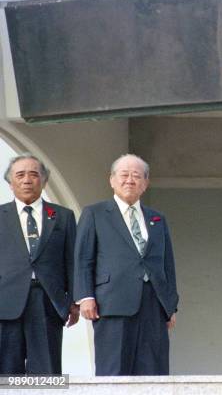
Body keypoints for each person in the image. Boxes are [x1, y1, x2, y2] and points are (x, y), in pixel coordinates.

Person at [74, 154, 179, 376]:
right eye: (124, 175)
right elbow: (83, 258)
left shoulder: (157, 218)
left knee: (154, 372)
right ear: (111, 180)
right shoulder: (95, 213)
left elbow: (167, 264)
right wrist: (86, 296)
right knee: (114, 371)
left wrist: (171, 305)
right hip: (112, 303)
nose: (130, 180)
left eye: (136, 176)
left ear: (145, 183)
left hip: (154, 304)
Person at [0, 154, 79, 374]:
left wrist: (73, 301)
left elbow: (72, 261)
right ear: (10, 182)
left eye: (34, 175)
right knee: (6, 374)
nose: (27, 180)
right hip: (5, 303)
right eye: (20, 175)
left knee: (46, 373)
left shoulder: (63, 216)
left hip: (47, 301)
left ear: (44, 181)